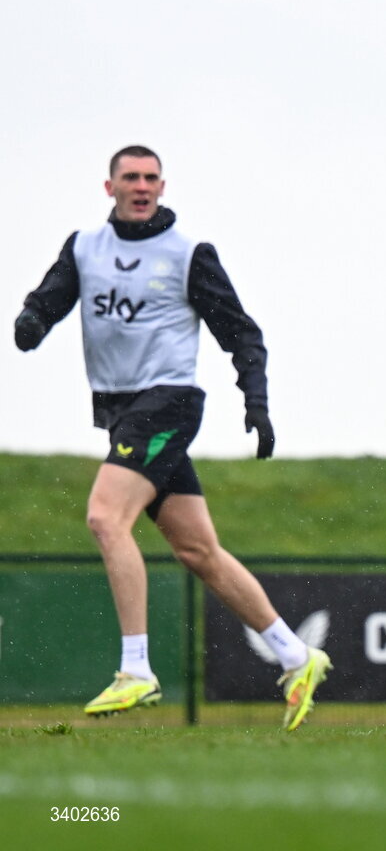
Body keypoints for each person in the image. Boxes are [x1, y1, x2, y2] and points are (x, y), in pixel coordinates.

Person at [14, 145, 331, 731]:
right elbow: (49, 300)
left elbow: (242, 334)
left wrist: (256, 402)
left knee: (106, 518)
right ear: (109, 187)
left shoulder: (187, 254)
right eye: (130, 177)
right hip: (120, 411)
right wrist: (31, 323)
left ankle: (135, 669)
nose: (141, 186)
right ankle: (297, 655)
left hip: (168, 405)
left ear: (163, 186)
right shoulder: (85, 248)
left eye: (151, 178)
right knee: (198, 551)